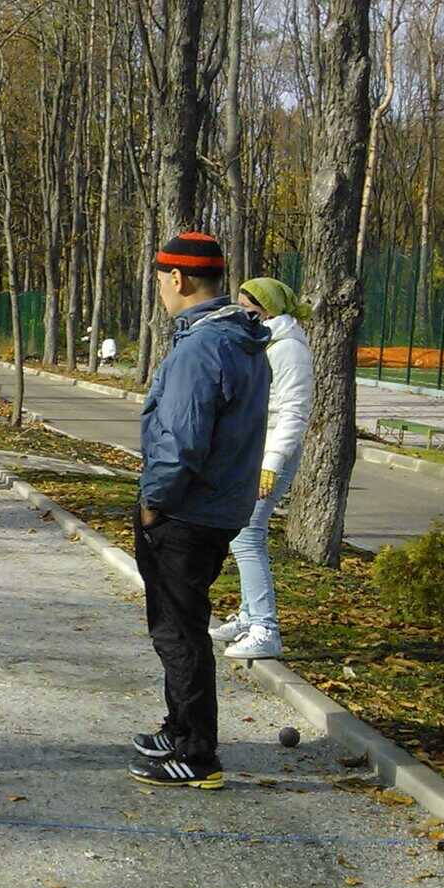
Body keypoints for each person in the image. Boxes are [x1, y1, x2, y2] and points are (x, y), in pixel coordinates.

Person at [129, 232, 270, 788]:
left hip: (186, 511)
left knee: (178, 631)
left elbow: (180, 441)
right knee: (180, 625)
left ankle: (197, 752)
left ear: (178, 278)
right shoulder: (240, 339)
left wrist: (153, 503)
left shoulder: (201, 348)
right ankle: (179, 726)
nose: (161, 291)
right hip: (217, 506)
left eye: (161, 281)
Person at [210, 277, 312, 662]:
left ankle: (265, 629)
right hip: (252, 453)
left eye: (247, 307)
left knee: (248, 535)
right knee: (242, 533)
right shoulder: (264, 342)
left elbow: (293, 412)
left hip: (271, 456)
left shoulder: (288, 348)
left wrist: (272, 463)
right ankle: (250, 616)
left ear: (267, 309)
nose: (242, 313)